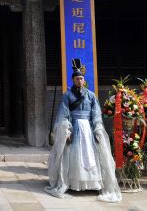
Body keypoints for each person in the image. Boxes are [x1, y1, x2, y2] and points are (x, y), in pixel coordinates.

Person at [44, 59, 121, 202]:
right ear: (73, 80)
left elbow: (96, 114)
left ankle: (92, 184)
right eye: (77, 78)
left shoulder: (91, 95)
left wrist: (98, 129)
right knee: (74, 155)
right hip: (75, 128)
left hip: (88, 130)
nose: (80, 80)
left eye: (82, 78)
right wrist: (66, 130)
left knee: (90, 155)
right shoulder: (67, 95)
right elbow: (63, 114)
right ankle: (74, 183)